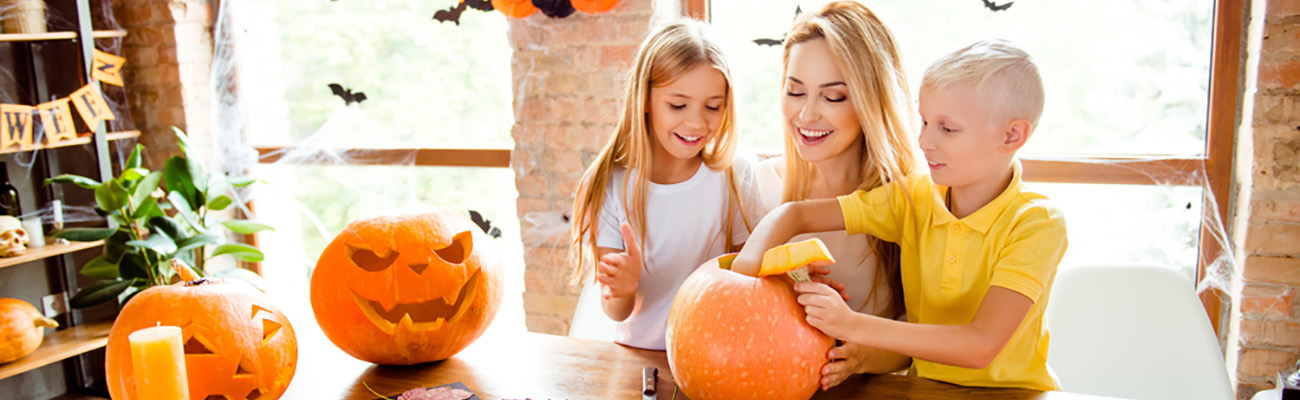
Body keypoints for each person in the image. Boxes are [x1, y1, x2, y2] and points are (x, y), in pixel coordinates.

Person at [733, 39, 1067, 391]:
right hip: (923, 391)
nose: (924, 141)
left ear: (1012, 135)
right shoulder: (913, 199)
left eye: (947, 129)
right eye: (923, 122)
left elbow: (980, 345)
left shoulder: (1037, 223)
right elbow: (795, 215)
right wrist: (744, 279)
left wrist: (851, 324)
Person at [751, 1, 919, 390]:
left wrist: (861, 354)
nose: (807, 115)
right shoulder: (760, 184)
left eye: (834, 97)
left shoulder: (907, 199)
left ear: (871, 101)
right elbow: (729, 303)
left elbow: (917, 337)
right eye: (795, 91)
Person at [568, 19, 756, 351]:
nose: (697, 122)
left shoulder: (736, 177)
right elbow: (615, 310)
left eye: (713, 106)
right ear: (645, 99)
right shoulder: (613, 186)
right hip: (638, 358)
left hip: (715, 357)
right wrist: (623, 288)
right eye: (678, 105)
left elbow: (749, 280)